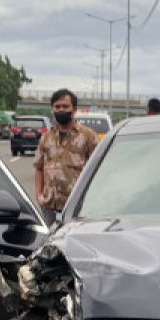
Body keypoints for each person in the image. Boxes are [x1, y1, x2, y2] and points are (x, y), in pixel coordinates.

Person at [33, 88, 97, 222]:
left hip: (77, 207)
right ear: (52, 109)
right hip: (49, 207)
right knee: (51, 241)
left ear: (74, 109)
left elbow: (97, 170)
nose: (61, 110)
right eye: (57, 106)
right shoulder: (45, 138)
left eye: (65, 106)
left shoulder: (88, 136)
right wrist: (39, 195)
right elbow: (39, 167)